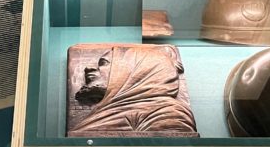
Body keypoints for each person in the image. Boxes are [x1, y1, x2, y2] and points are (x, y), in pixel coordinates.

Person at [69, 45, 199, 137]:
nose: (89, 67)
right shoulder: (112, 109)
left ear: (138, 70)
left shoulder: (166, 114)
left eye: (104, 63)